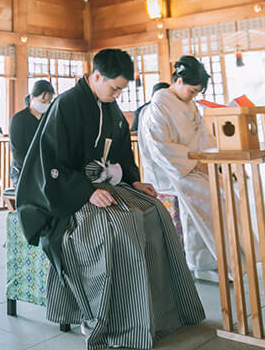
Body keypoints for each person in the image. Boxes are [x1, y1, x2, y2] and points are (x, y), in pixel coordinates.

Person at [17, 49, 204, 348]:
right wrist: (86, 192)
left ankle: (161, 313)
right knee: (119, 226)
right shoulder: (66, 104)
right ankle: (119, 321)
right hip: (64, 193)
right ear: (96, 76)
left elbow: (120, 153)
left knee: (155, 212)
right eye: (114, 87)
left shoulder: (109, 105)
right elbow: (50, 163)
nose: (117, 95)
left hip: (103, 184)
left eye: (121, 89)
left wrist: (133, 180)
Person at [138, 57, 219, 280]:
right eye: (192, 91)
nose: (194, 96)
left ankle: (220, 256)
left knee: (225, 189)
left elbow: (203, 134)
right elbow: (161, 149)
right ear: (179, 81)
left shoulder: (190, 104)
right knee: (205, 195)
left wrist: (206, 160)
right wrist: (193, 162)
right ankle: (200, 261)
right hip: (170, 172)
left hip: (190, 164)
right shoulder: (158, 106)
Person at [9, 79, 55, 186]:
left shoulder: (50, 118)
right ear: (32, 97)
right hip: (22, 169)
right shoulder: (18, 119)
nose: (46, 105)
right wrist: (36, 168)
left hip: (46, 168)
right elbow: (17, 152)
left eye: (49, 102)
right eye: (43, 102)